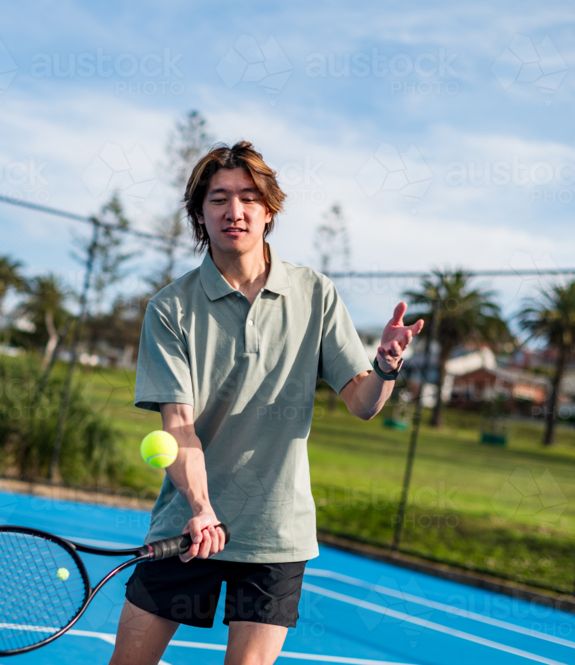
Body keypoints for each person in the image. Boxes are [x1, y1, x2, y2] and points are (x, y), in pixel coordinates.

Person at [108, 141, 423, 665]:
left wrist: (387, 365)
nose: (235, 211)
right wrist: (202, 509)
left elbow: (363, 402)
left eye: (250, 198)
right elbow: (179, 425)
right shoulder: (170, 308)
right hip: (189, 526)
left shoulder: (315, 293)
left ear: (269, 210)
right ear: (200, 214)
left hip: (277, 532)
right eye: (219, 199)